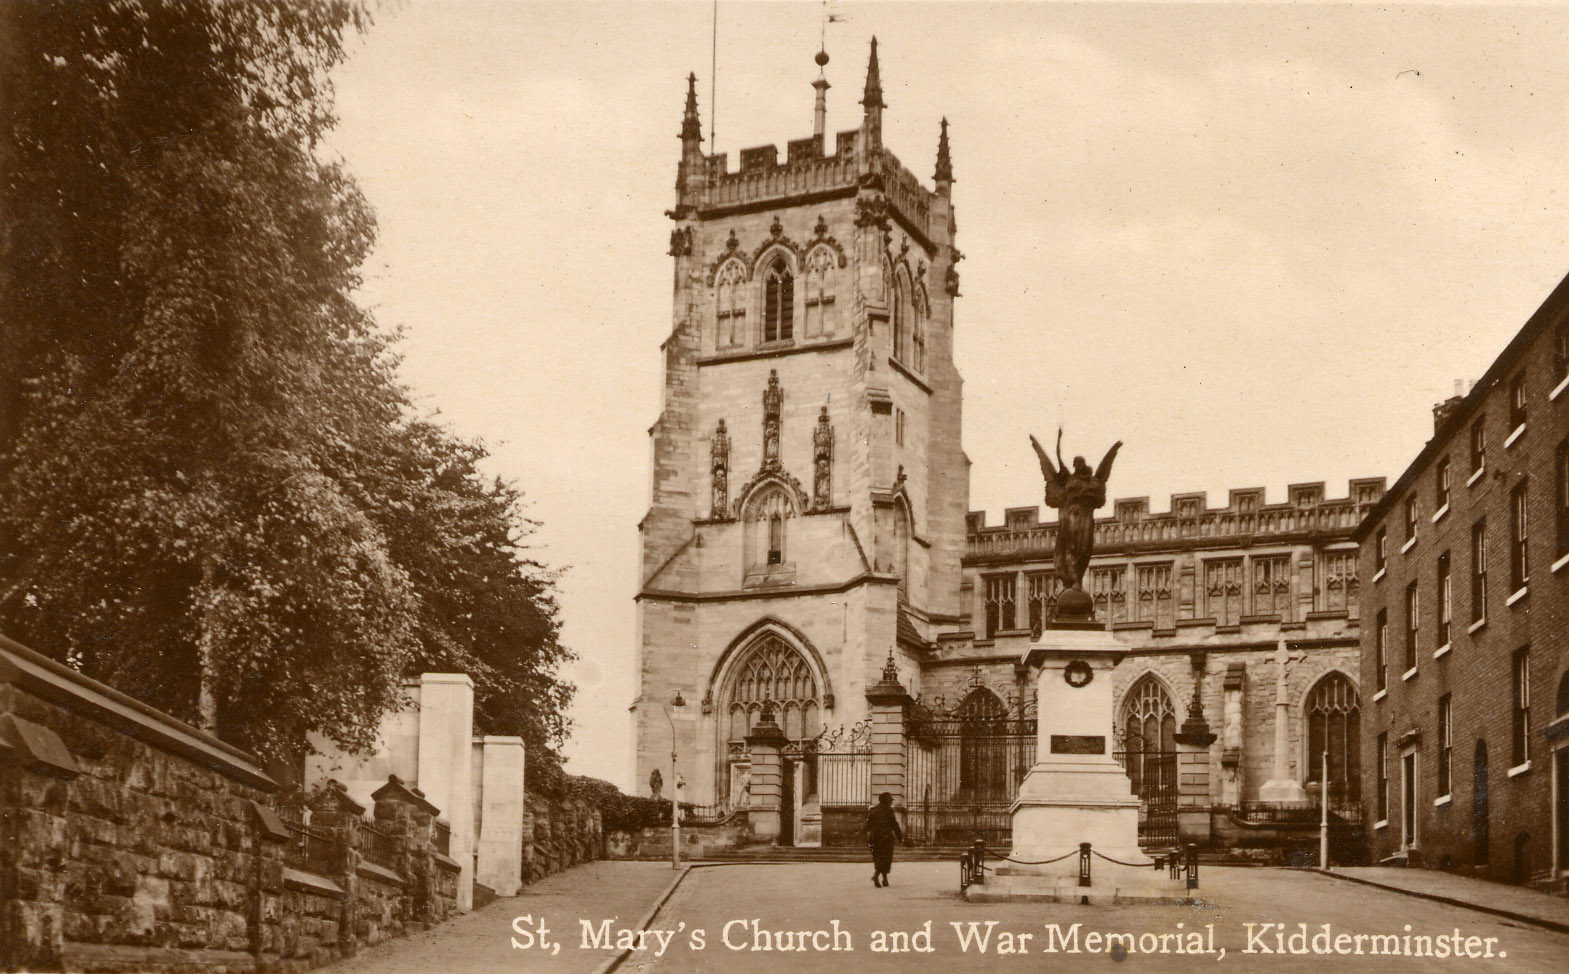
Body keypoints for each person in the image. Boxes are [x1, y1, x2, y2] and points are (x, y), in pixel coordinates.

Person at [866, 792, 903, 887]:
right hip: (886, 839)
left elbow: (867, 826)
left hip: (874, 839)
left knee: (878, 858)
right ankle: (876, 875)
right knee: (886, 859)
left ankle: (885, 880)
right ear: (886, 801)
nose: (891, 802)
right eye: (890, 800)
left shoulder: (873, 811)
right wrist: (900, 837)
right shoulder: (889, 811)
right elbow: (895, 825)